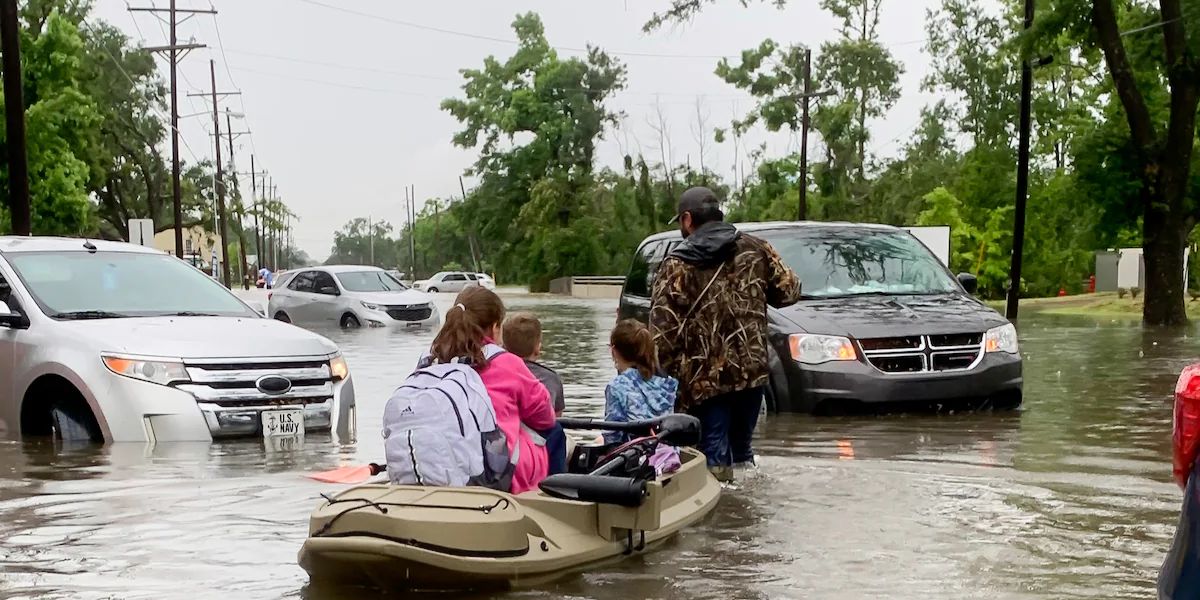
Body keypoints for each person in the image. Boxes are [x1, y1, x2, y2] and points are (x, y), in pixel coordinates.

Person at [650, 186, 802, 482]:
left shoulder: (676, 264)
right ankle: (746, 512)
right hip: (753, 371)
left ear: (686, 219)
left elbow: (662, 334)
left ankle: (722, 515)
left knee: (711, 452)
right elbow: (790, 291)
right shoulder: (757, 248)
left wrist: (664, 378)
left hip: (703, 380)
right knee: (743, 451)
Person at [429, 287, 564, 494]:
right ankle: (558, 500)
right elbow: (544, 417)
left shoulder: (431, 360)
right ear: (494, 328)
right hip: (497, 474)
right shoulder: (507, 363)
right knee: (555, 431)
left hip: (438, 464)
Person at [501, 312, 566, 417]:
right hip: (540, 431)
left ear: (503, 347)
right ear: (538, 348)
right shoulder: (551, 378)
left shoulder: (494, 373)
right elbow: (557, 417)